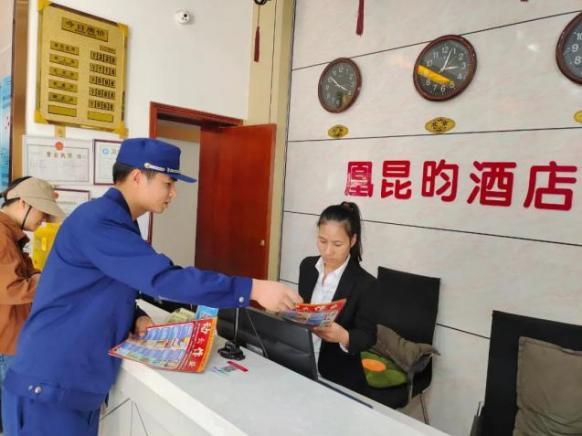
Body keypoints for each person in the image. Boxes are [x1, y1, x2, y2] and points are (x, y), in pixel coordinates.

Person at [2, 138, 301, 436]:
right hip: (51, 385)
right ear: (137, 177)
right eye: (168, 183)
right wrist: (252, 289)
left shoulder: (118, 221)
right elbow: (163, 278)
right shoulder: (99, 221)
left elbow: (99, 287)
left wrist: (134, 316)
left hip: (69, 387)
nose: (173, 193)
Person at [0, 177, 65, 433]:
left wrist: (40, 277)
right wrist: (53, 279)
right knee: (14, 420)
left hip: (10, 337)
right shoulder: (2, 237)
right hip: (6, 341)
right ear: (23, 203)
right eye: (43, 211)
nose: (45, 219)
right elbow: (11, 288)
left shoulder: (10, 235)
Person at [298, 202, 377, 393]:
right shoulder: (308, 267)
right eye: (322, 241)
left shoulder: (365, 283)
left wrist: (343, 336)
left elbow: (368, 336)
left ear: (352, 240)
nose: (327, 251)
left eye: (337, 244)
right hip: (301, 362)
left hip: (337, 375)